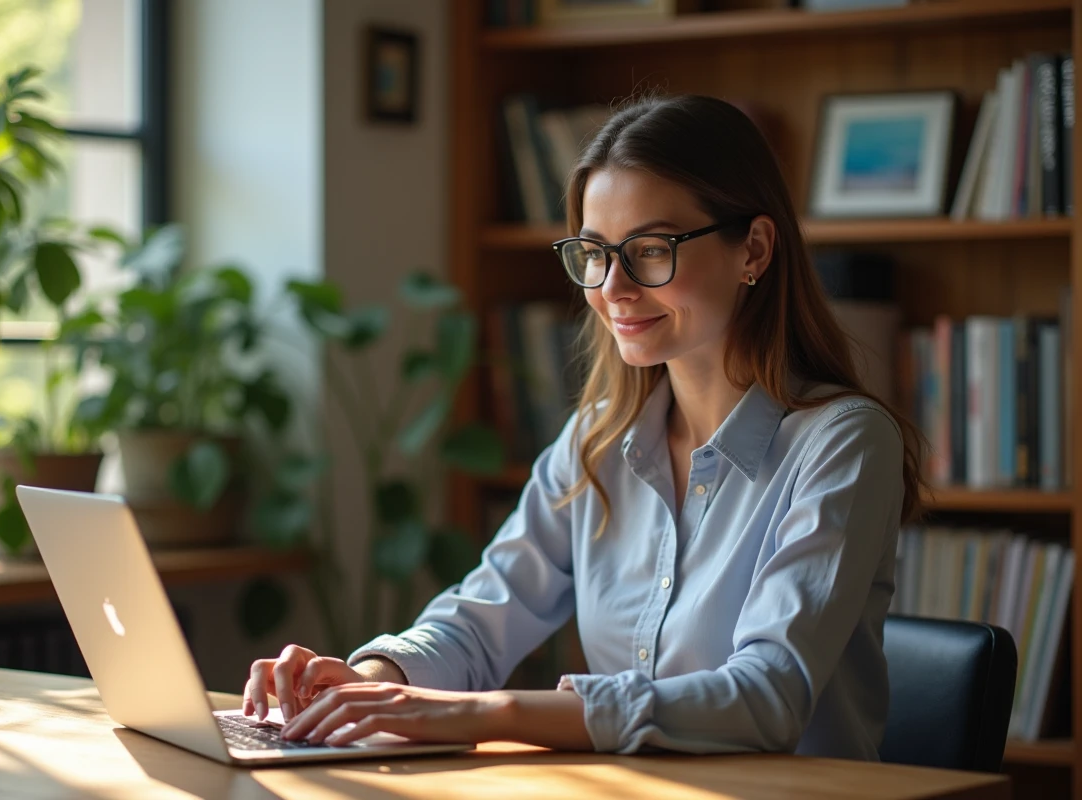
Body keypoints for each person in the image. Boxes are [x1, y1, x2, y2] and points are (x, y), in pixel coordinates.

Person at [243, 94, 924, 758]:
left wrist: (491, 712)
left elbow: (765, 698)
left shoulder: (844, 443)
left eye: (651, 249)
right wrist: (369, 686)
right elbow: (482, 622)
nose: (613, 289)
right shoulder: (596, 441)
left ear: (754, 248)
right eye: (594, 252)